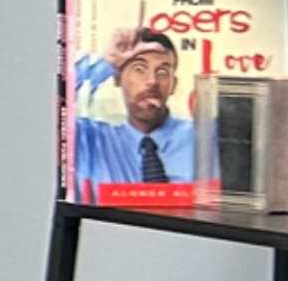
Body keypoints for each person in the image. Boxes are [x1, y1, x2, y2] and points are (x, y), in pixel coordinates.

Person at [73, 25, 211, 195]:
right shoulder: (90, 141)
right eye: (139, 69)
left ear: (173, 85)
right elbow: (47, 106)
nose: (152, 81)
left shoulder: (204, 139)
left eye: (162, 71)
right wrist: (106, 62)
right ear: (117, 78)